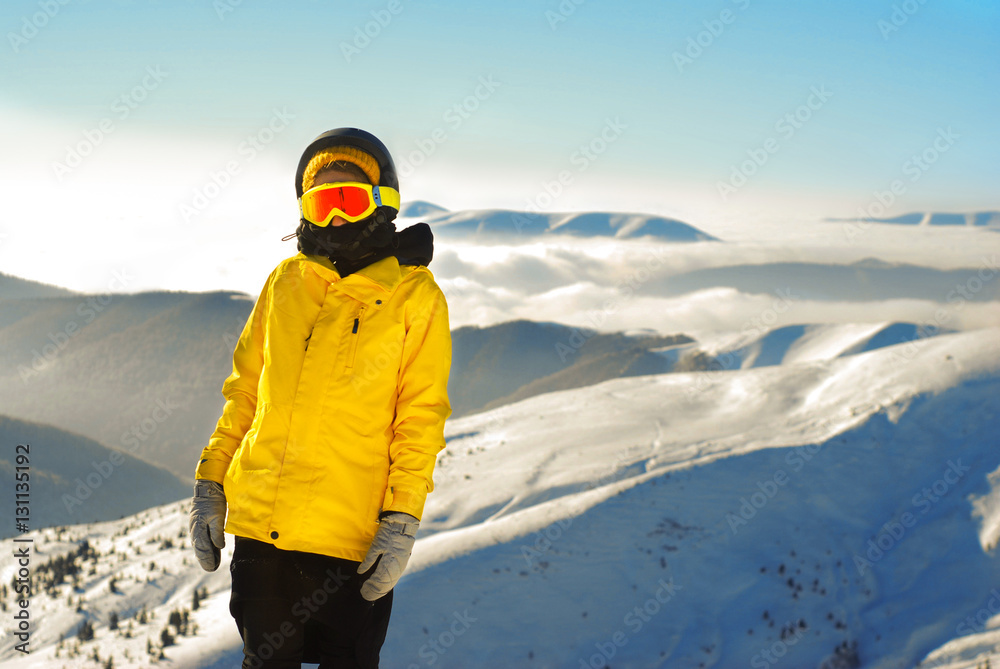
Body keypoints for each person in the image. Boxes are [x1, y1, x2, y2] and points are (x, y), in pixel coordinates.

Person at [188, 128, 452, 668]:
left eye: (348, 200)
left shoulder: (414, 297)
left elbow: (419, 419)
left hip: (352, 539)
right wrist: (210, 481)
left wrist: (401, 519)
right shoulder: (285, 282)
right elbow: (244, 391)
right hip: (263, 532)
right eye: (320, 201)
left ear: (383, 203)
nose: (334, 218)